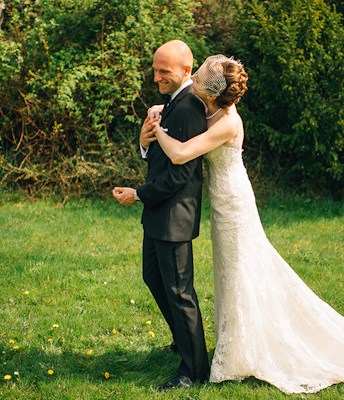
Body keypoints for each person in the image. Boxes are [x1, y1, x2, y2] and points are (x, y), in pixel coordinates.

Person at [144, 55, 344, 394]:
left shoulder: (228, 121)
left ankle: (250, 349)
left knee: (242, 271)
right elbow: (178, 102)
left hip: (234, 203)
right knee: (230, 273)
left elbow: (181, 154)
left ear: (210, 91)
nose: (194, 76)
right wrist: (159, 109)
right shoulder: (208, 106)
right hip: (221, 203)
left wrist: (158, 132)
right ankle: (236, 344)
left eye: (198, 75)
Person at [112, 40, 210, 391]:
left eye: (163, 71)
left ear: (187, 70)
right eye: (154, 70)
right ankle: (184, 342)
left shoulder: (188, 108)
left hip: (174, 216)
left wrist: (138, 194)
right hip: (158, 213)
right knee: (154, 279)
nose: (156, 77)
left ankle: (195, 368)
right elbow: (156, 153)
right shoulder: (171, 103)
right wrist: (142, 142)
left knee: (179, 292)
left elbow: (181, 174)